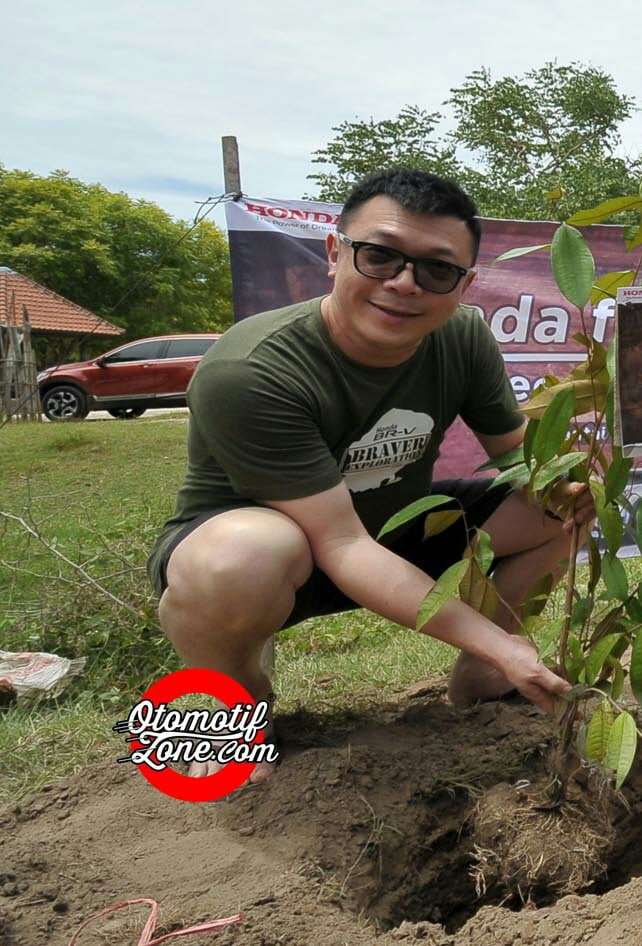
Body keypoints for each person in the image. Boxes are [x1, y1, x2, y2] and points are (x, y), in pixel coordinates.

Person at [147, 168, 583, 784]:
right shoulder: (250, 370)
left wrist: (574, 476)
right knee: (242, 557)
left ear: (465, 284)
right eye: (380, 256)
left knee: (562, 506)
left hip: (390, 525)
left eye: (436, 270)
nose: (404, 284)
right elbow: (340, 543)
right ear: (336, 253)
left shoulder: (460, 337)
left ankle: (483, 680)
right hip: (286, 552)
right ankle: (240, 707)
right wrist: (501, 640)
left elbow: (519, 457)